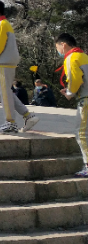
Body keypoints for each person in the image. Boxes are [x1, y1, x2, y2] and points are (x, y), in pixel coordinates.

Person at [0, 0, 39, 133]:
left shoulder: (1, 25)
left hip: (4, 61)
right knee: (7, 92)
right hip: (8, 61)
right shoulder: (6, 24)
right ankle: (28, 115)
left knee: (4, 93)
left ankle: (10, 122)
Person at [54, 33, 88, 177]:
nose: (59, 52)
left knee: (81, 133)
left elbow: (75, 79)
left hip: (85, 99)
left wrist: (69, 93)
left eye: (57, 48)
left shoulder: (71, 57)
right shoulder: (84, 56)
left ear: (64, 44)